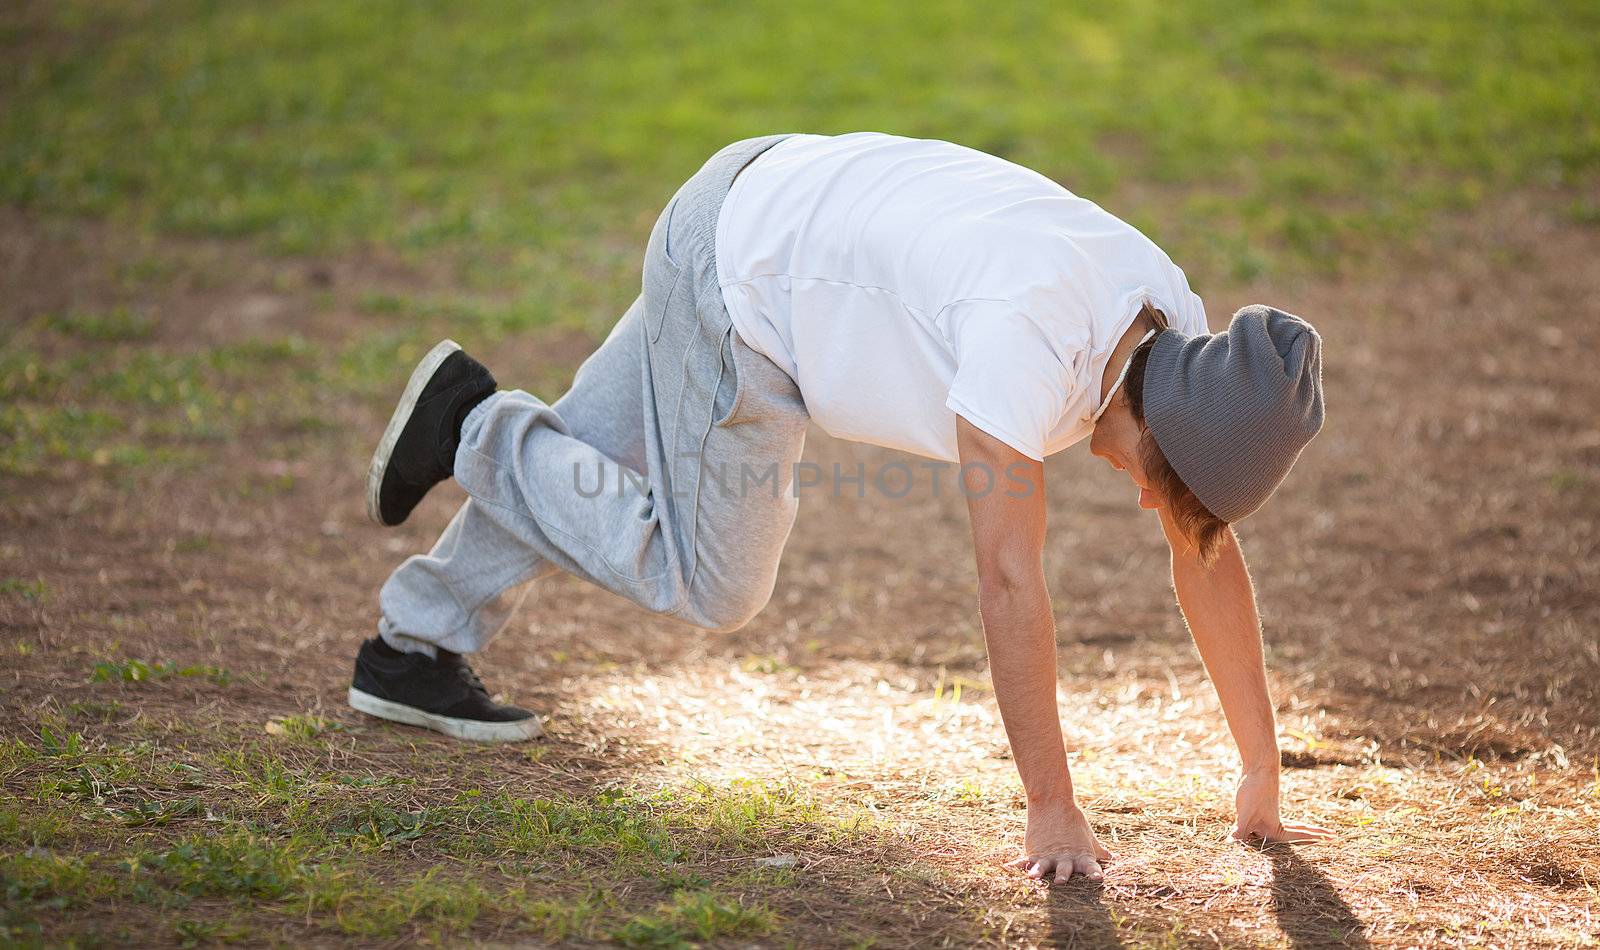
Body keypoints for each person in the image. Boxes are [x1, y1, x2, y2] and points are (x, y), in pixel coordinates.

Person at [348, 132, 1333, 883]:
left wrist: (1259, 764)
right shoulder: (1026, 343)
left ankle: (413, 643)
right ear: (1162, 430)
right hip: (747, 284)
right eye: (1165, 482)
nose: (1145, 496)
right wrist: (1052, 807)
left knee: (584, 460)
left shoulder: (1180, 341)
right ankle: (475, 425)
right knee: (710, 577)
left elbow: (1203, 552)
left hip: (774, 197)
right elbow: (1006, 577)